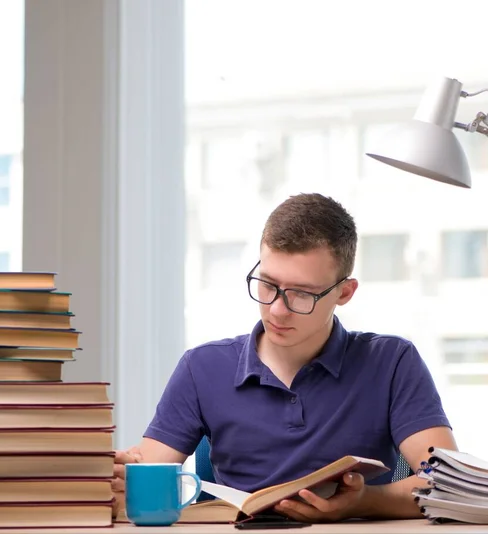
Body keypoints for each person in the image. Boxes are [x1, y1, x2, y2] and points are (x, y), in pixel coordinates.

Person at [114, 193, 456, 522]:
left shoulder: (392, 362)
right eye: (267, 284)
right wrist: (115, 477)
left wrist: (365, 502)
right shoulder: (201, 368)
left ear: (344, 292)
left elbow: (447, 484)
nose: (277, 309)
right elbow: (143, 478)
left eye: (302, 294)